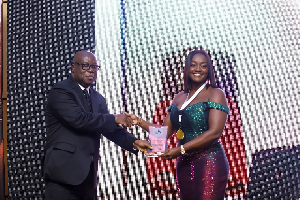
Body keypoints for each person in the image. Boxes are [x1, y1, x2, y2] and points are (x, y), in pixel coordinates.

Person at [43, 50, 151, 200]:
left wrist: (134, 142)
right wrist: (115, 118)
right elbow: (80, 120)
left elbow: (108, 128)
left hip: (87, 178)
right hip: (62, 177)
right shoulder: (61, 91)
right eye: (86, 66)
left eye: (94, 67)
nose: (91, 71)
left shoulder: (98, 98)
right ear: (73, 68)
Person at [127, 49, 229, 199]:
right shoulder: (179, 97)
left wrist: (180, 149)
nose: (198, 69)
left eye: (203, 65)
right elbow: (164, 132)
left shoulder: (215, 93)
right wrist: (139, 121)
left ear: (209, 70)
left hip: (209, 163)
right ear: (187, 68)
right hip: (184, 164)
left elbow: (214, 133)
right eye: (194, 65)